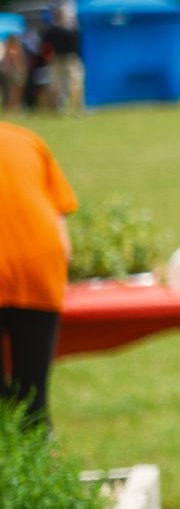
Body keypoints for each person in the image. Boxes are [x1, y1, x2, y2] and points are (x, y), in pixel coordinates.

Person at [0, 121, 79, 428]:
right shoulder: (27, 139)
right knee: (33, 398)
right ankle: (39, 468)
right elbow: (63, 236)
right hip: (40, 267)